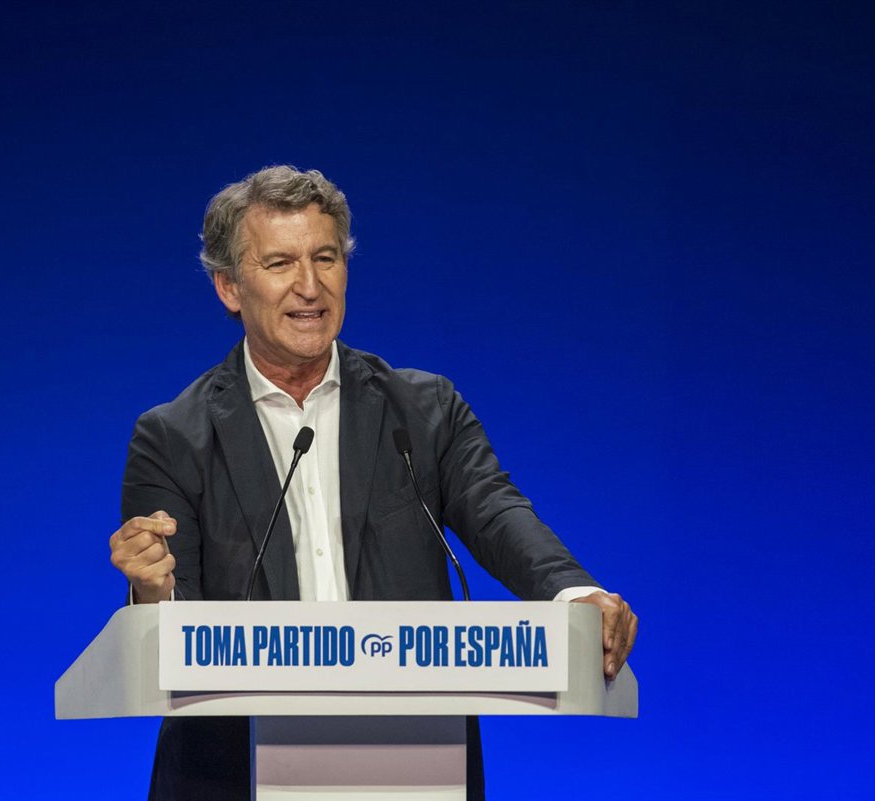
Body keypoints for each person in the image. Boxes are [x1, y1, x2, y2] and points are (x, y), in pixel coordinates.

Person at [109, 165, 638, 800]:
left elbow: (496, 512)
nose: (310, 286)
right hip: (232, 773)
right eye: (280, 263)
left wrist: (573, 592)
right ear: (229, 287)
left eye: (325, 258)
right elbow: (172, 631)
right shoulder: (172, 437)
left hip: (416, 763)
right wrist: (152, 592)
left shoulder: (424, 410)